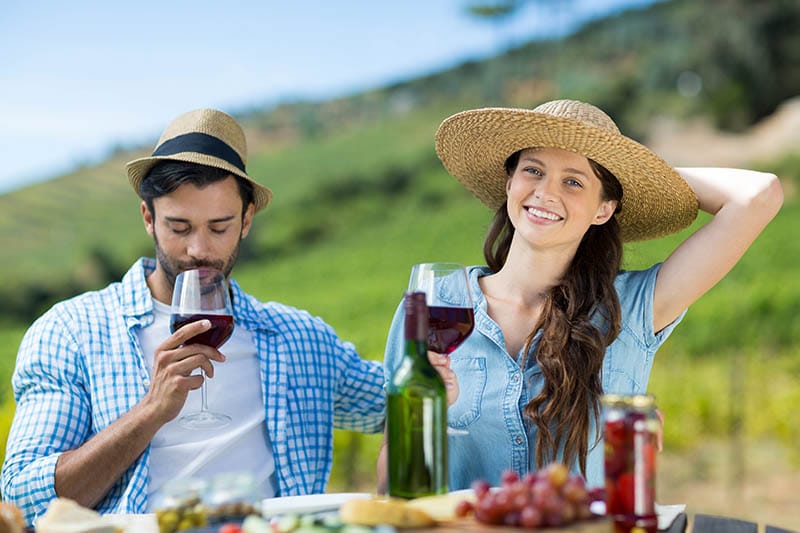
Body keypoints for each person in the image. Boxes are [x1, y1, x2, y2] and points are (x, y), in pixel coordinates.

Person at [1, 109, 393, 524]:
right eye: (180, 227)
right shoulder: (71, 332)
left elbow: (401, 402)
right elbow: (24, 498)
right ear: (149, 219)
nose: (198, 250)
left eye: (219, 227)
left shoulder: (301, 339)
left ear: (246, 221)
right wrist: (151, 411)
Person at [379, 99, 783, 491]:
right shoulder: (435, 304)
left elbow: (758, 195)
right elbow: (391, 488)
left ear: (605, 209)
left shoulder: (633, 307)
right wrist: (421, 413)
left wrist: (641, 176)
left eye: (573, 182)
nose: (546, 192)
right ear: (509, 183)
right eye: (533, 171)